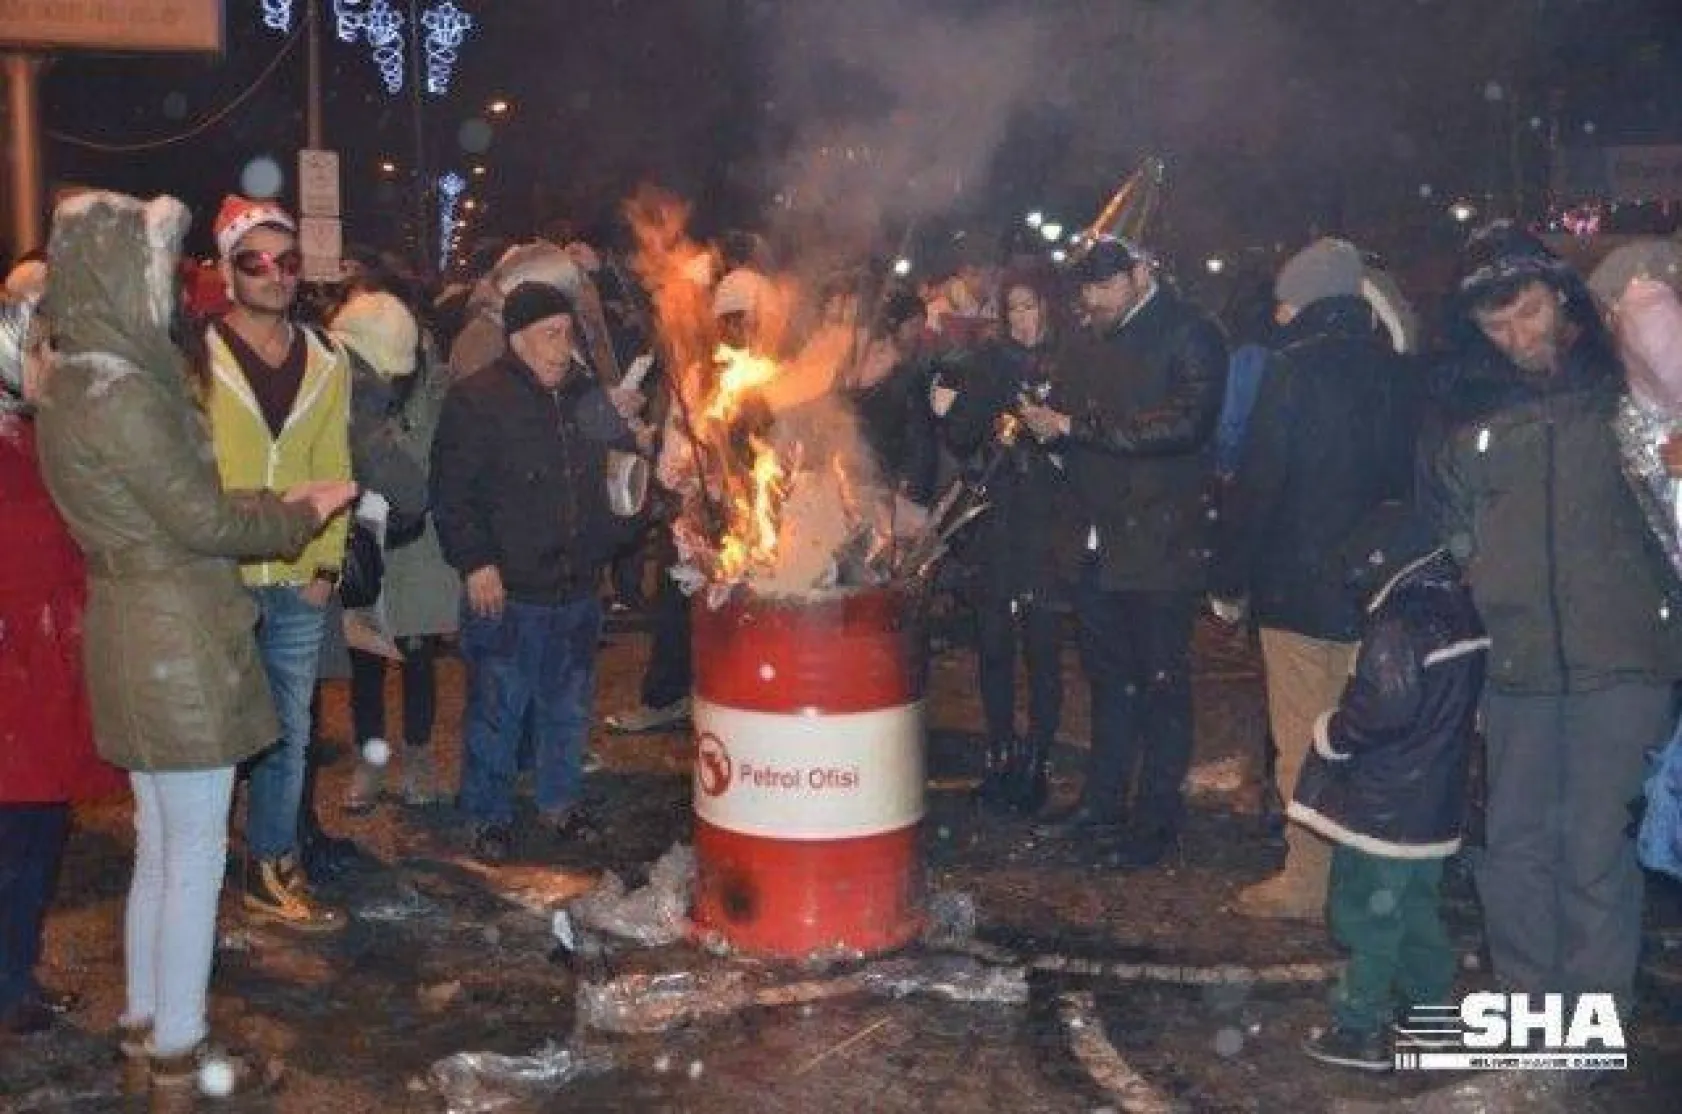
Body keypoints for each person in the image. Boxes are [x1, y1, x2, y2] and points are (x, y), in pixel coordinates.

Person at [33, 190, 354, 1109]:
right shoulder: (124, 391)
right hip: (176, 634)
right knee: (193, 851)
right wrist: (305, 510)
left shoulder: (78, 381)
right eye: (155, 267)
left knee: (160, 844)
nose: (169, 288)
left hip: (139, 625)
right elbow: (205, 517)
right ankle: (178, 1048)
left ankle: (147, 1024)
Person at [1423, 220, 1682, 1015]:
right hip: (1518, 662)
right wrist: (1479, 569)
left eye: (1527, 312)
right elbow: (1452, 518)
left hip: (1624, 658)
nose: (1514, 337)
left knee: (1595, 849)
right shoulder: (1472, 414)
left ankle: (1593, 1024)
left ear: (1562, 297)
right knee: (1516, 846)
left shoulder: (1624, 392)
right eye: (1494, 325)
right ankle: (1535, 1014)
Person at [1210, 238, 1419, 919]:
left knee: (1304, 738)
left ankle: (1308, 880)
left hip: (1296, 590)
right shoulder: (1398, 371)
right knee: (1374, 738)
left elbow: (1259, 484)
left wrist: (1229, 575)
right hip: (1379, 590)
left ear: (1298, 302)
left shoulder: (1288, 372)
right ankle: (1372, 878)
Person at [1022, 236, 1227, 868]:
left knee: (1161, 681)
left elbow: (1188, 424)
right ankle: (1103, 800)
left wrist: (1077, 431)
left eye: (1105, 285)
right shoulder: (1089, 338)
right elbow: (1076, 417)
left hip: (1159, 539)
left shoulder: (1192, 332)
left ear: (1141, 272)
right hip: (1095, 537)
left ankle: (1155, 818)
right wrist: (1050, 433)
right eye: (1085, 288)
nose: (1093, 299)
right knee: (1109, 678)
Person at [432, 281, 644, 863]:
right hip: (509, 590)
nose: (562, 346)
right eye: (551, 334)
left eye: (567, 333)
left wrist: (625, 521)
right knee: (498, 710)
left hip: (575, 587)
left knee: (567, 707)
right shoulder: (478, 399)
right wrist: (475, 562)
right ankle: (487, 814)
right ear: (519, 339)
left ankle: (559, 802)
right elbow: (453, 494)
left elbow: (623, 466)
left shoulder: (584, 393)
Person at [1287, 503, 1488, 1071]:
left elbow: (1384, 709)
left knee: (1365, 911)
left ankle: (1361, 1026)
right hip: (1434, 804)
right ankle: (1430, 1015)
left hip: (1384, 806)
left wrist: (1333, 733)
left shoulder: (1400, 621)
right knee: (1418, 909)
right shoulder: (1459, 610)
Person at [200, 195, 354, 932]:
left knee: (288, 735)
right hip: (218, 578)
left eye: (287, 261)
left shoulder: (327, 359)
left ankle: (270, 866)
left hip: (296, 579)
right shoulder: (195, 356)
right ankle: (196, 877)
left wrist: (325, 566)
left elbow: (336, 466)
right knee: (211, 735)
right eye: (255, 261)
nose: (274, 274)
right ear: (228, 270)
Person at [0, 295, 128, 1037]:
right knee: (16, 841)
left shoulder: (47, 438)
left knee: (38, 836)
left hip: (46, 673)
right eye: (44, 351)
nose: (57, 366)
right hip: (12, 679)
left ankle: (16, 975)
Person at [942, 265, 1076, 813]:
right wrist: (981, 396)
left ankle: (1039, 758)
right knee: (994, 645)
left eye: (1031, 306)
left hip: (1048, 521)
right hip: (999, 520)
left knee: (1043, 648)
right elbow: (959, 433)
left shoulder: (1073, 360)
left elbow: (1088, 436)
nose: (1023, 319)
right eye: (1013, 309)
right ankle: (999, 754)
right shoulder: (991, 362)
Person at [323, 289, 459, 812]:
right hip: (365, 539)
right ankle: (372, 758)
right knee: (367, 661)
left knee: (419, 660)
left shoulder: (438, 388)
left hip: (420, 545)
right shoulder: (346, 386)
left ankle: (419, 757)